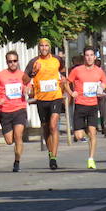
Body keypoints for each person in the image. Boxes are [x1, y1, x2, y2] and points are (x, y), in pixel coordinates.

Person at [66, 47, 106, 169]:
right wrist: (71, 93)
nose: (89, 57)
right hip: (80, 105)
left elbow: (105, 85)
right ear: (84, 57)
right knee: (79, 136)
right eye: (87, 55)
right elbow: (66, 82)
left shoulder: (99, 71)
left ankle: (91, 159)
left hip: (92, 105)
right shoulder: (77, 70)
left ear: (95, 57)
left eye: (91, 55)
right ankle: (84, 132)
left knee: (93, 133)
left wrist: (104, 88)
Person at [25, 38, 66, 170]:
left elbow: (63, 71)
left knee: (53, 125)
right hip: (41, 99)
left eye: (46, 46)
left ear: (50, 47)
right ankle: (50, 153)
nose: (44, 48)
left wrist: (63, 81)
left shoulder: (57, 60)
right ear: (39, 48)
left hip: (56, 96)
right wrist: (34, 72)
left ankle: (54, 157)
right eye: (41, 46)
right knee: (46, 128)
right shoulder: (34, 62)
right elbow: (24, 78)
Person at [0, 51, 29, 172]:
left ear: (18, 61)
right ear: (7, 62)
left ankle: (17, 161)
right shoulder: (0, 75)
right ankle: (16, 156)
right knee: (9, 140)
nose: (13, 63)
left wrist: (27, 90)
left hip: (19, 109)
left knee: (18, 136)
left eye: (15, 61)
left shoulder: (23, 75)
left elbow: (29, 87)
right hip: (5, 111)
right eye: (10, 61)